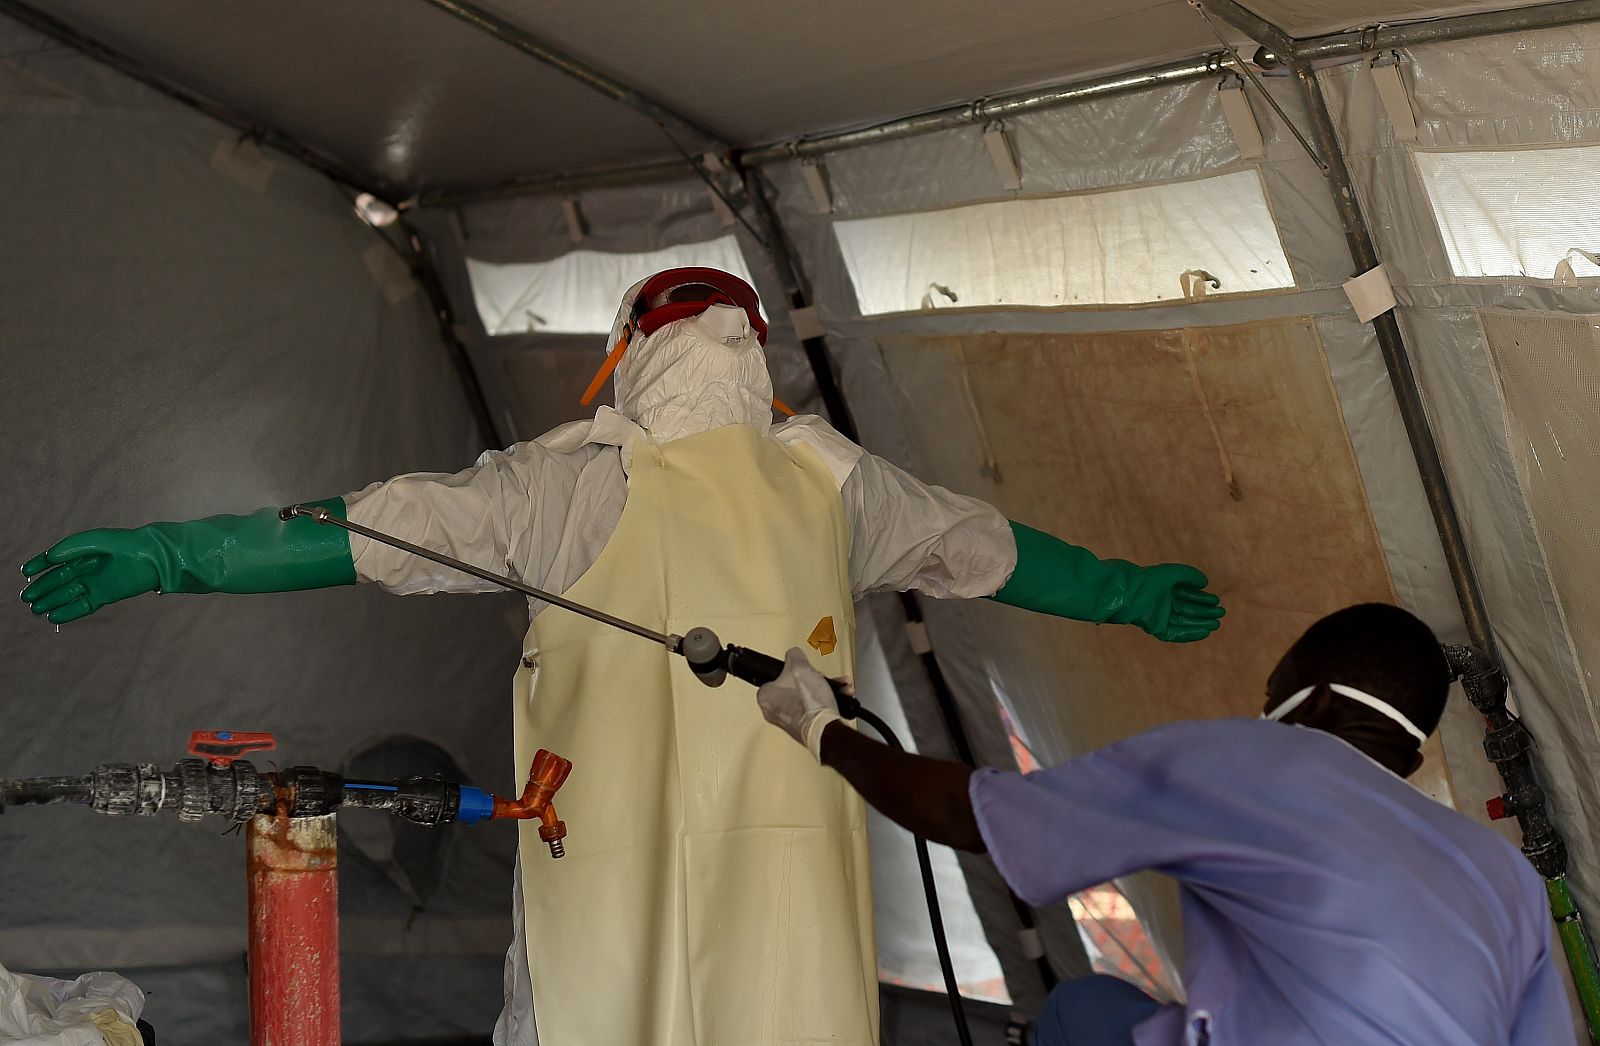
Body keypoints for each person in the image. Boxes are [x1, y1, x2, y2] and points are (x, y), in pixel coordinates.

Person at [20, 268, 1224, 1045]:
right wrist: (1125, 591)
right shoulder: (839, 484)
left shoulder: (570, 481)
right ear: (756, 349)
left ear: (630, 351)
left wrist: (170, 552)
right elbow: (994, 551)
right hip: (791, 884)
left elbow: (365, 532)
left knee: (595, 1018)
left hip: (609, 872)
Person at [755, 602, 1573, 1046]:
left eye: (1272, 688)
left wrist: (823, 731)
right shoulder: (1503, 874)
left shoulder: (1258, 761)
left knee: (1080, 1012)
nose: (1261, 706)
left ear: (1314, 700)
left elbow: (974, 815)